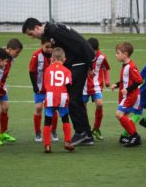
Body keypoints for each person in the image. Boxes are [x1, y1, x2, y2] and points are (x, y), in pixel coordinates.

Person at [22, 17, 95, 146]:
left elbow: (80, 42)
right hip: (77, 62)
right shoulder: (52, 30)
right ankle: (86, 134)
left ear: (36, 28)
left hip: (79, 62)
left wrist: (90, 63)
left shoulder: (54, 31)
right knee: (75, 99)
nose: (32, 37)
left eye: (31, 34)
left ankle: (81, 132)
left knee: (72, 99)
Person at [0, 39, 23, 146]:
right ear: (10, 49)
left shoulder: (10, 58)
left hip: (2, 84)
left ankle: (3, 133)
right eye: (17, 52)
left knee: (5, 107)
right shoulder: (0, 56)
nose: (18, 55)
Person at [111, 42, 143, 147]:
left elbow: (139, 80)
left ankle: (134, 136)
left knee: (119, 114)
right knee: (125, 116)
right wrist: (116, 84)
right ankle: (130, 136)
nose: (116, 55)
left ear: (125, 54)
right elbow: (126, 80)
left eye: (118, 53)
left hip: (130, 95)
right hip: (127, 95)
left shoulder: (131, 66)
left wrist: (128, 90)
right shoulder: (125, 65)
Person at [43, 47, 74, 153]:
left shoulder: (47, 69)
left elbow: (46, 85)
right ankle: (67, 141)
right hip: (62, 97)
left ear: (51, 59)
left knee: (47, 121)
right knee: (65, 119)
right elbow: (69, 85)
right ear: (64, 59)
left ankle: (47, 145)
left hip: (50, 96)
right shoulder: (67, 71)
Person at [29, 37, 59, 142]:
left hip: (52, 88)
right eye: (47, 47)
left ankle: (53, 130)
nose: (49, 49)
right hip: (40, 88)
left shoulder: (55, 56)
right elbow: (32, 72)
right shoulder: (36, 55)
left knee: (53, 109)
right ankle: (37, 132)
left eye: (51, 47)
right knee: (38, 108)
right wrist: (35, 86)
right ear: (41, 45)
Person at [83, 37, 110, 141]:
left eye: (93, 51)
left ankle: (96, 128)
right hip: (84, 86)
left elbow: (105, 68)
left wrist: (107, 80)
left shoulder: (102, 57)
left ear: (97, 49)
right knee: (82, 108)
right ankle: (86, 130)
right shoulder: (82, 55)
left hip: (96, 85)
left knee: (100, 104)